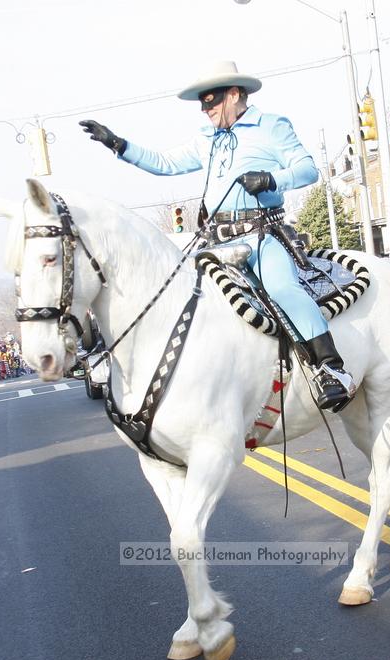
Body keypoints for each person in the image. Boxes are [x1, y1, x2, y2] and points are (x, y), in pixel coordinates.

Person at [80, 61, 352, 411]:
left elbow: (307, 169)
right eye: (203, 104)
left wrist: (271, 180)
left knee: (282, 290)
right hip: (217, 242)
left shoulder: (271, 126)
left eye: (212, 101)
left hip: (261, 235)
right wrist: (118, 144)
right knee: (182, 297)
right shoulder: (205, 140)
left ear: (236, 94)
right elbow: (165, 163)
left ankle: (331, 369)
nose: (206, 110)